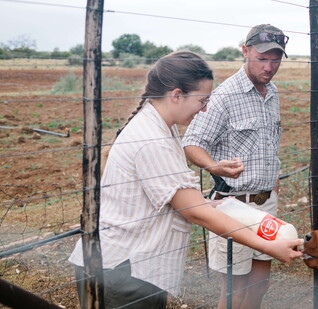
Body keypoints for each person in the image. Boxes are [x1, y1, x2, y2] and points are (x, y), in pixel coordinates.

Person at [68, 50, 302, 309]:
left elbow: (186, 203)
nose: (204, 109)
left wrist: (221, 206)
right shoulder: (152, 140)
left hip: (128, 269)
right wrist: (269, 247)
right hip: (123, 273)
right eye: (202, 100)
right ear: (176, 95)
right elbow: (196, 212)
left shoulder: (160, 127)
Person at [182, 24, 288, 309]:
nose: (269, 66)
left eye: (275, 59)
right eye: (262, 58)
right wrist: (214, 167)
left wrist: (273, 185)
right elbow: (191, 143)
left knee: (260, 285)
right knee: (234, 294)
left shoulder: (272, 92)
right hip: (234, 206)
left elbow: (270, 143)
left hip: (266, 203)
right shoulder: (224, 96)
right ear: (245, 51)